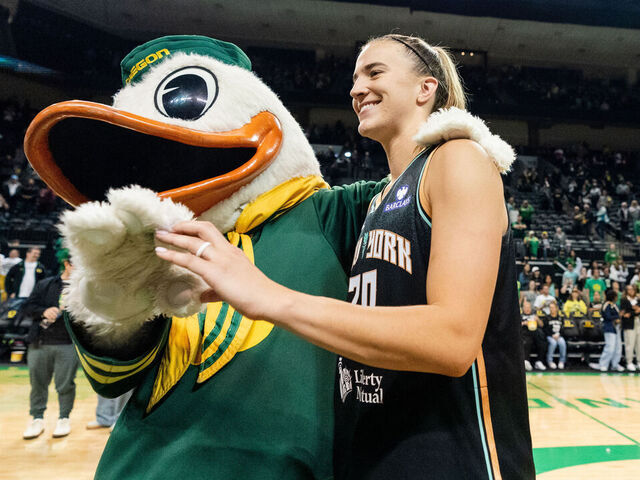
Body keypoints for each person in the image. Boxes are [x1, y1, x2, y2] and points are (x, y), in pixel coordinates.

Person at [155, 33, 534, 479]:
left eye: (374, 73)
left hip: (452, 458)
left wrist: (273, 298)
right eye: (354, 78)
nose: (356, 89)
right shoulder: (377, 201)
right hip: (372, 451)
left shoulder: (458, 158)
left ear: (425, 89)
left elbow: (453, 340)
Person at [21, 249, 78, 439]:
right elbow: (27, 307)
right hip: (40, 342)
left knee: (65, 384)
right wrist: (44, 311)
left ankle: (64, 418)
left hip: (68, 344)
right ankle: (37, 418)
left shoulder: (86, 289)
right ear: (67, 264)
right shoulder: (46, 284)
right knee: (37, 384)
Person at [589, 290, 624, 372]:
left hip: (616, 328)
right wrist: (617, 317)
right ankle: (603, 364)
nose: (617, 297)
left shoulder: (615, 305)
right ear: (613, 297)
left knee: (618, 348)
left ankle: (615, 364)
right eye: (616, 296)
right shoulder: (606, 305)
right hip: (609, 328)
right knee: (610, 347)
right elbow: (607, 316)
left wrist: (619, 317)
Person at [520, 301, 547, 371]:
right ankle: (526, 361)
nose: (527, 309)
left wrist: (538, 319)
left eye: (529, 307)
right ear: (523, 308)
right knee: (527, 341)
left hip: (535, 333)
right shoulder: (520, 316)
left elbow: (542, 325)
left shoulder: (534, 315)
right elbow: (515, 326)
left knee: (542, 342)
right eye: (526, 307)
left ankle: (539, 361)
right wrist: (524, 323)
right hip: (525, 333)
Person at [620, 284, 640, 371]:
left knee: (639, 343)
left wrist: (634, 311)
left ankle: (639, 361)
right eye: (628, 290)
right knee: (630, 343)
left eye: (632, 289)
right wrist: (635, 311)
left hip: (638, 322)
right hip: (629, 324)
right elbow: (625, 314)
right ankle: (629, 362)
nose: (631, 291)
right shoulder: (624, 300)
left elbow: (635, 311)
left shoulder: (638, 299)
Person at [542, 301, 566, 369]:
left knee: (562, 342)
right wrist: (552, 335)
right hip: (550, 336)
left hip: (558, 335)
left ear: (556, 308)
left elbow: (563, 329)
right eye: (550, 308)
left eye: (553, 308)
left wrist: (559, 334)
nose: (551, 309)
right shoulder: (546, 318)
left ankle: (562, 361)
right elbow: (545, 330)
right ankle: (550, 361)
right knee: (553, 343)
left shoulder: (560, 318)